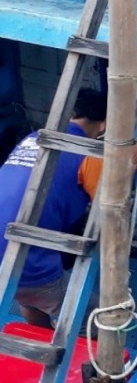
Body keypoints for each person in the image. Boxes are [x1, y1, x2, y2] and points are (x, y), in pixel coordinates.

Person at [0, 89, 105, 327]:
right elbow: (108, 207)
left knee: (25, 292)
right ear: (103, 126)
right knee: (102, 318)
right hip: (28, 266)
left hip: (7, 251)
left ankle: (36, 330)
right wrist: (128, 168)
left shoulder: (35, 138)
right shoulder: (90, 153)